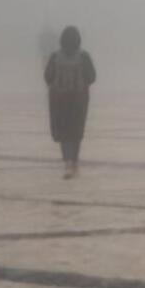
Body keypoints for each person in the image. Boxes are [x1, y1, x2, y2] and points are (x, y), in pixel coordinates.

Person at [43, 25, 96, 179]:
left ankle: (67, 161)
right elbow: (92, 77)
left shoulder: (55, 57)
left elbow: (47, 77)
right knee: (76, 131)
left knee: (64, 132)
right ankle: (74, 161)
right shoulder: (83, 56)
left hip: (59, 100)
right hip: (79, 99)